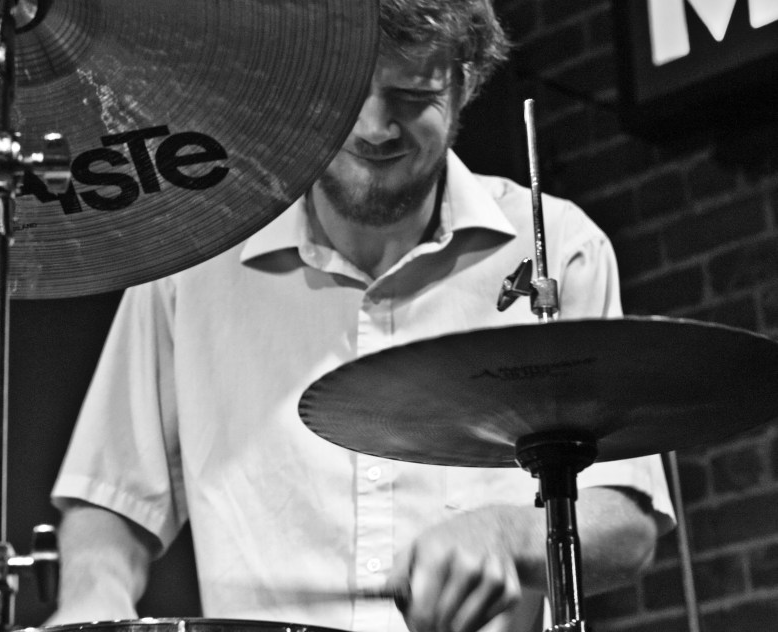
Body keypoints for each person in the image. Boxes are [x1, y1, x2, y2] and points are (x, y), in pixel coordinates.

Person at [46, 1, 675, 631]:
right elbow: (111, 505)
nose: (375, 127)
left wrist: (507, 532)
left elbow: (626, 524)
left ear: (463, 84)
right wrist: (91, 603)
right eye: (349, 94)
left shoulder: (555, 245)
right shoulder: (195, 263)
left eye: (411, 94)